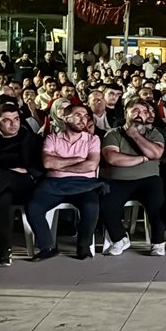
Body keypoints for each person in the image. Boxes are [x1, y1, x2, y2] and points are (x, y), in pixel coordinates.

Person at [26, 104, 105, 260]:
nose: (83, 119)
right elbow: (48, 163)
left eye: (85, 116)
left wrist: (60, 165)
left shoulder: (92, 139)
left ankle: (83, 245)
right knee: (33, 206)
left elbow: (91, 165)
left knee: (91, 206)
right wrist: (77, 160)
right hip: (53, 183)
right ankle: (47, 246)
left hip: (84, 184)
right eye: (78, 115)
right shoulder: (52, 138)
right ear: (65, 117)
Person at [99, 99, 166, 256]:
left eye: (144, 112)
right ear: (126, 113)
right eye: (135, 110)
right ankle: (120, 239)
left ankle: (158, 243)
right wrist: (143, 158)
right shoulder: (113, 134)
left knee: (157, 206)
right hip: (118, 180)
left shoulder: (154, 133)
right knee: (105, 207)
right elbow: (113, 159)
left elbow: (156, 154)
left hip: (148, 179)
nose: (140, 114)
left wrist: (136, 135)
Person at [0, 101, 43, 266]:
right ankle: (4, 255)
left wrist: (27, 171)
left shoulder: (31, 139)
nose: (14, 124)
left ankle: (4, 254)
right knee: (2, 199)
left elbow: (42, 167)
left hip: (25, 185)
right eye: (7, 120)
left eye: (16, 119)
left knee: (4, 174)